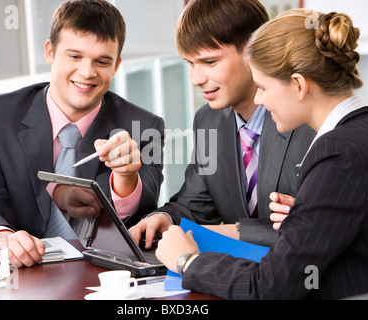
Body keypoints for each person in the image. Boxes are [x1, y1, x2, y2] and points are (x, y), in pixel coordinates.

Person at [156, 9, 368, 300]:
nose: (259, 99)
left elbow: (269, 288)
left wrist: (187, 261)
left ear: (299, 85)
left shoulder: (335, 153)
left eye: (263, 87)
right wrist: (306, 216)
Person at [0, 0, 164, 268]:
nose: (87, 73)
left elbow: (142, 218)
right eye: (75, 56)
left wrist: (125, 177)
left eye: (101, 61)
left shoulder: (145, 127)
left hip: (101, 280)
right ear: (50, 52)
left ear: (117, 65)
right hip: (18, 278)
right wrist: (2, 237)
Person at [129, 0, 315, 249]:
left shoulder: (308, 119)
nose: (196, 79)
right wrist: (164, 218)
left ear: (252, 51)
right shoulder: (208, 119)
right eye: (190, 64)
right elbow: (195, 203)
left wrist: (234, 231)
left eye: (209, 62)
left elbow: (316, 224)